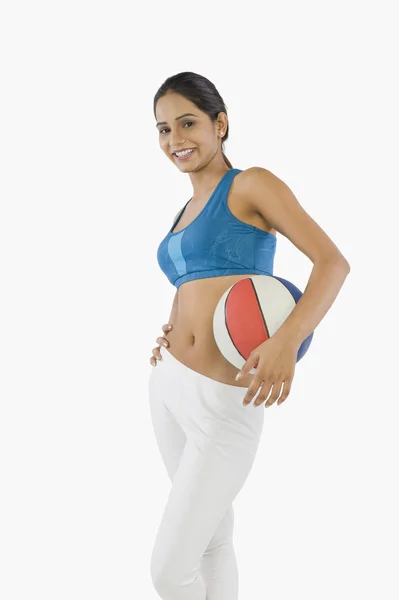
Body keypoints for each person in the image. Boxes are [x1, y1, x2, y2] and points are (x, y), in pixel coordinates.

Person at [148, 71, 350, 600]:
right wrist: (169, 331)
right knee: (212, 541)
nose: (176, 140)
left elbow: (333, 263)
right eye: (164, 130)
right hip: (167, 387)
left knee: (169, 571)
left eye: (188, 123)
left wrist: (287, 341)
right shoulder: (183, 211)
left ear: (221, 124)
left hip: (225, 397)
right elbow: (191, 283)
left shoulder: (251, 184)